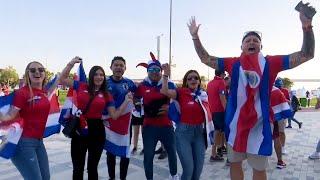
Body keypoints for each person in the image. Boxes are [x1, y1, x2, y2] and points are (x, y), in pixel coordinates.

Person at [188, 2, 315, 179]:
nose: (252, 42)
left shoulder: (270, 63)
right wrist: (195, 38)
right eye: (248, 40)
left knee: (259, 169)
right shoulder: (233, 64)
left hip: (260, 126)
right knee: (235, 163)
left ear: (261, 47)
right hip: (236, 125)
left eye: (256, 40)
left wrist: (306, 26)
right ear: (242, 47)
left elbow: (306, 55)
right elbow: (206, 58)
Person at [60, 57, 133, 180]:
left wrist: (126, 102)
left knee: (93, 168)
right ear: (91, 75)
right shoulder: (81, 86)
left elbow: (114, 115)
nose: (99, 77)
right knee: (78, 167)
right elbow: (62, 79)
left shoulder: (106, 94)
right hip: (80, 129)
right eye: (96, 74)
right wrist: (71, 63)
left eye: (101, 75)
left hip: (97, 131)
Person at [0, 61, 57, 180]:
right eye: (33, 70)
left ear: (44, 73)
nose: (37, 72)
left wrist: (71, 64)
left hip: (39, 143)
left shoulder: (44, 92)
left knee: (46, 178)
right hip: (23, 143)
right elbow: (10, 116)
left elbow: (60, 78)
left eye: (41, 70)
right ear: (28, 74)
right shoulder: (22, 93)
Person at [161, 64, 212, 180]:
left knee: (197, 170)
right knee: (189, 169)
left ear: (199, 81)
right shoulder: (181, 92)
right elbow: (164, 91)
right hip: (183, 134)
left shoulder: (203, 95)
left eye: (195, 78)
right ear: (186, 81)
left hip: (199, 133)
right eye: (190, 78)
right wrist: (166, 75)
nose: (193, 80)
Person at [135, 52, 178, 180]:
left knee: (171, 152)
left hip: (166, 126)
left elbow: (178, 101)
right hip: (149, 127)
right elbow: (134, 99)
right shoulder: (142, 86)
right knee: (148, 156)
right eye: (151, 69)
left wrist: (170, 108)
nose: (154, 72)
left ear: (161, 71)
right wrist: (141, 106)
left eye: (157, 69)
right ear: (147, 71)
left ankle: (174, 175)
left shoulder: (169, 84)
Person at [105, 56, 136, 180]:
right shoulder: (104, 82)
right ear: (111, 67)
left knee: (125, 153)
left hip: (125, 124)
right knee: (110, 151)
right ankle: (111, 177)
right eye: (116, 65)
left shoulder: (130, 83)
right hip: (109, 123)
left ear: (125, 68)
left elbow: (138, 97)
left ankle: (123, 178)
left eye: (121, 65)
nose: (118, 67)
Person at [207, 69, 227, 161]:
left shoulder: (210, 83)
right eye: (224, 73)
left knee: (217, 131)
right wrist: (227, 110)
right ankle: (215, 154)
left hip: (212, 110)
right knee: (223, 132)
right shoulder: (221, 82)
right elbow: (222, 98)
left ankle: (216, 151)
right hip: (220, 111)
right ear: (222, 74)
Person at [270, 86, 292, 169]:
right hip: (272, 118)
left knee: (260, 138)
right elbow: (284, 105)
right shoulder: (276, 90)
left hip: (258, 119)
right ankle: (280, 161)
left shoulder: (255, 87)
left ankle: (259, 160)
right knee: (276, 138)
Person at [274, 78, 289, 154]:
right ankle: (276, 147)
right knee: (273, 133)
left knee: (281, 132)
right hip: (273, 115)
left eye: (280, 86)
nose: (279, 87)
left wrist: (283, 99)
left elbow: (289, 102)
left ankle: (283, 147)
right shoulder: (272, 89)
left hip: (282, 115)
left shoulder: (285, 91)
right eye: (277, 86)